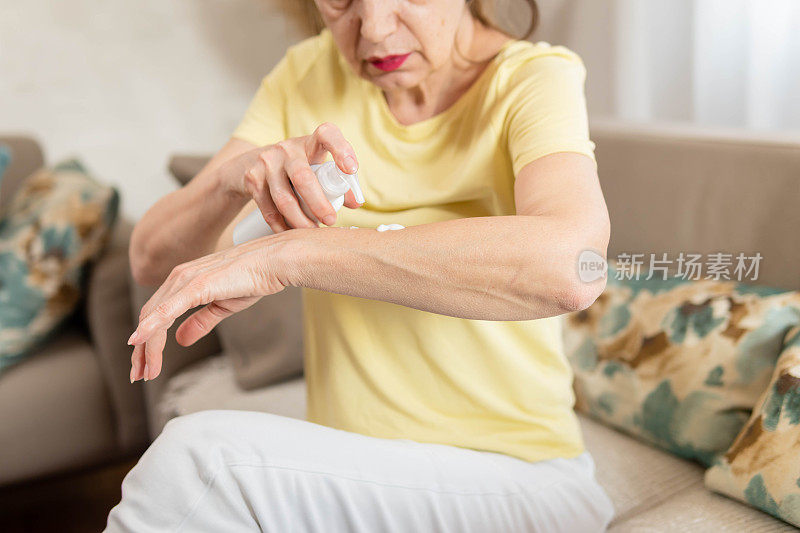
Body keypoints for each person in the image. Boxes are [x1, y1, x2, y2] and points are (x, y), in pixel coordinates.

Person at [107, 0, 614, 531]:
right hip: (354, 468)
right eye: (341, 0)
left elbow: (572, 267)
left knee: (200, 463)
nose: (373, 29)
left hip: (523, 478)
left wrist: (290, 257)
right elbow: (150, 257)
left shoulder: (531, 78)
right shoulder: (308, 72)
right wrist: (229, 176)